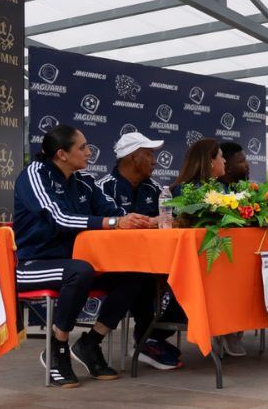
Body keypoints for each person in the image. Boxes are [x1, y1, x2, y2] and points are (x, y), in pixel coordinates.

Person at [13, 125, 151, 387]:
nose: (90, 152)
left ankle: (90, 343)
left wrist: (145, 221)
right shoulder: (34, 175)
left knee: (134, 273)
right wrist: (113, 223)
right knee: (81, 271)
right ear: (62, 154)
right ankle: (58, 346)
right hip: (31, 264)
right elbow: (58, 218)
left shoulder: (84, 181)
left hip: (75, 264)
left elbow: (115, 213)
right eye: (83, 147)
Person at [97, 132, 185, 370]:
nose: (154, 161)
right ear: (133, 158)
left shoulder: (156, 188)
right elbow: (116, 224)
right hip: (113, 264)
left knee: (188, 273)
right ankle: (147, 339)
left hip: (154, 260)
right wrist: (152, 221)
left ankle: (151, 337)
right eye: (149, 154)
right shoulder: (103, 188)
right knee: (140, 274)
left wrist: (158, 221)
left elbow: (171, 220)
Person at [171, 138, 247, 357]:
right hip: (195, 260)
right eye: (221, 157)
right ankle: (223, 328)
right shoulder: (184, 190)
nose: (225, 161)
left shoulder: (223, 187)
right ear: (210, 162)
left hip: (222, 254)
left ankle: (232, 327)